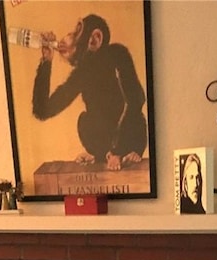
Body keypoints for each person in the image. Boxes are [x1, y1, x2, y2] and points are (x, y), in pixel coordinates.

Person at [32, 14, 147, 171]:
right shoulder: (82, 72)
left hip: (129, 135)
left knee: (134, 113)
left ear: (95, 39)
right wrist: (46, 61)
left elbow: (136, 100)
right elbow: (42, 111)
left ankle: (123, 153)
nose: (69, 36)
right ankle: (101, 154)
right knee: (84, 121)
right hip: (106, 145)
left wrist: (118, 151)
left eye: (78, 31)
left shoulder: (117, 54)